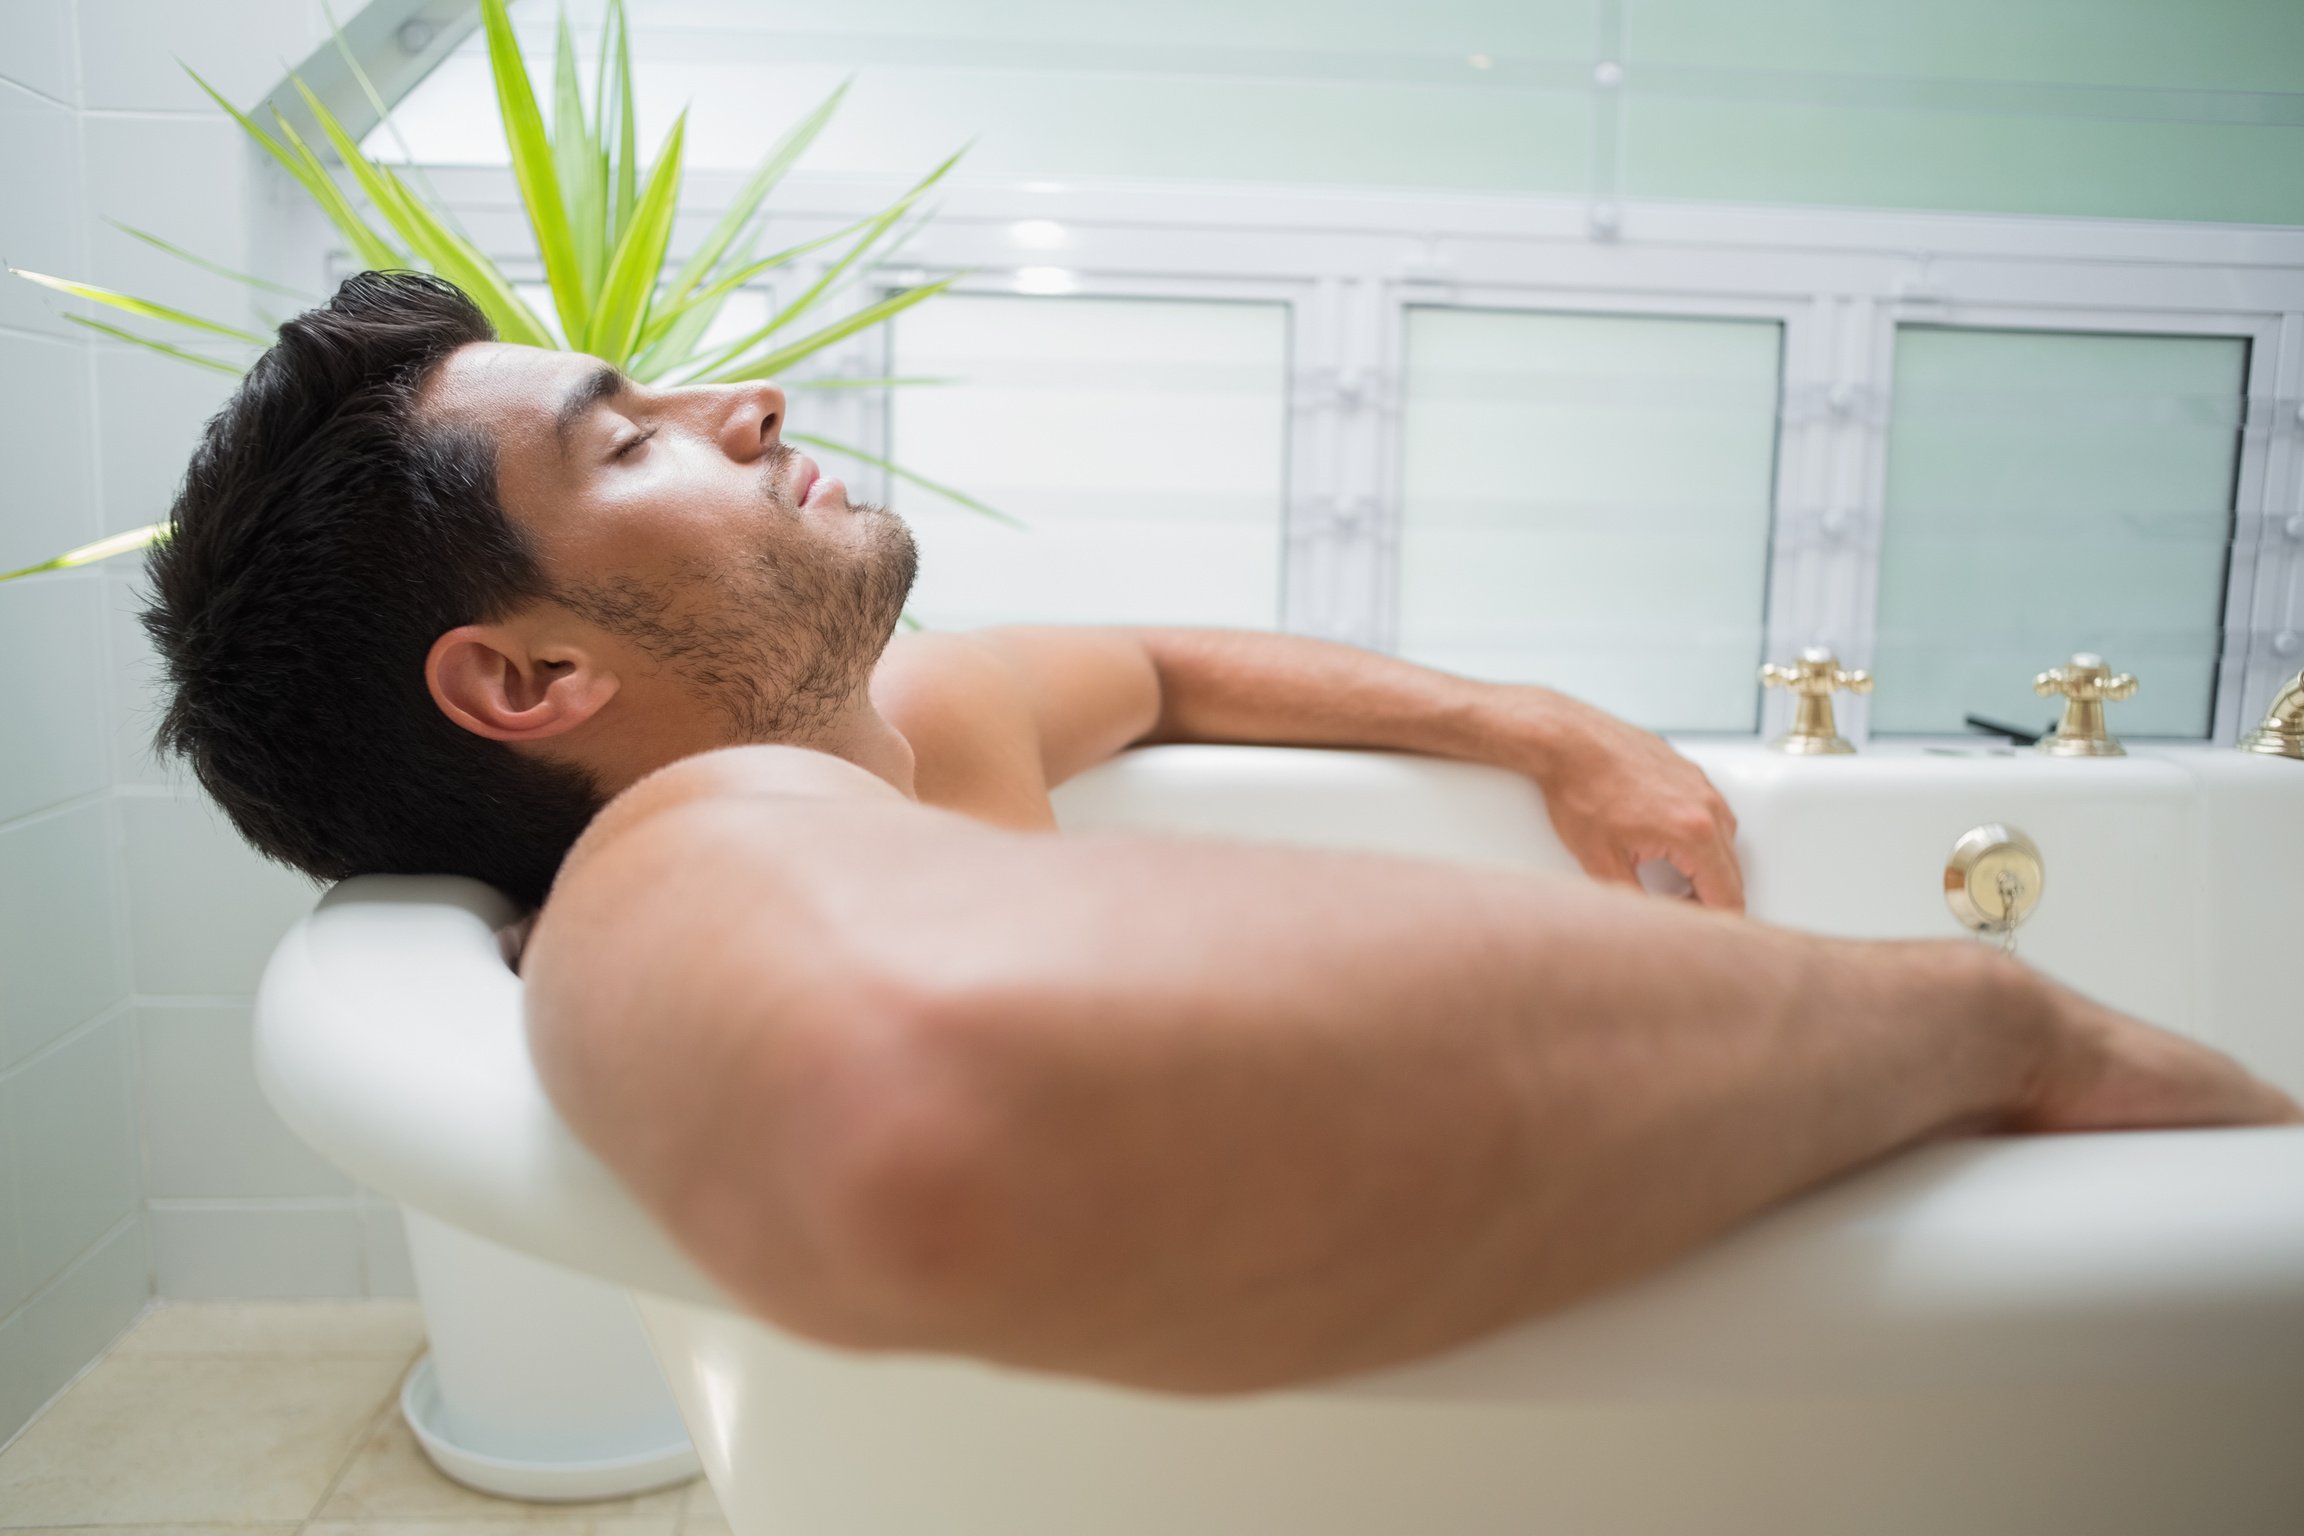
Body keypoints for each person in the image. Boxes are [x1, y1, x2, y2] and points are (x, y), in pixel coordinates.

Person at [148, 272, 2301, 1397]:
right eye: (629, 444)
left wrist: (1540, 728)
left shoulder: (912, 722)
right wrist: (1999, 1024)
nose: (748, 404)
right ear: (532, 682)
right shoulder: (681, 835)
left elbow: (1165, 671)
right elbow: (932, 1106)